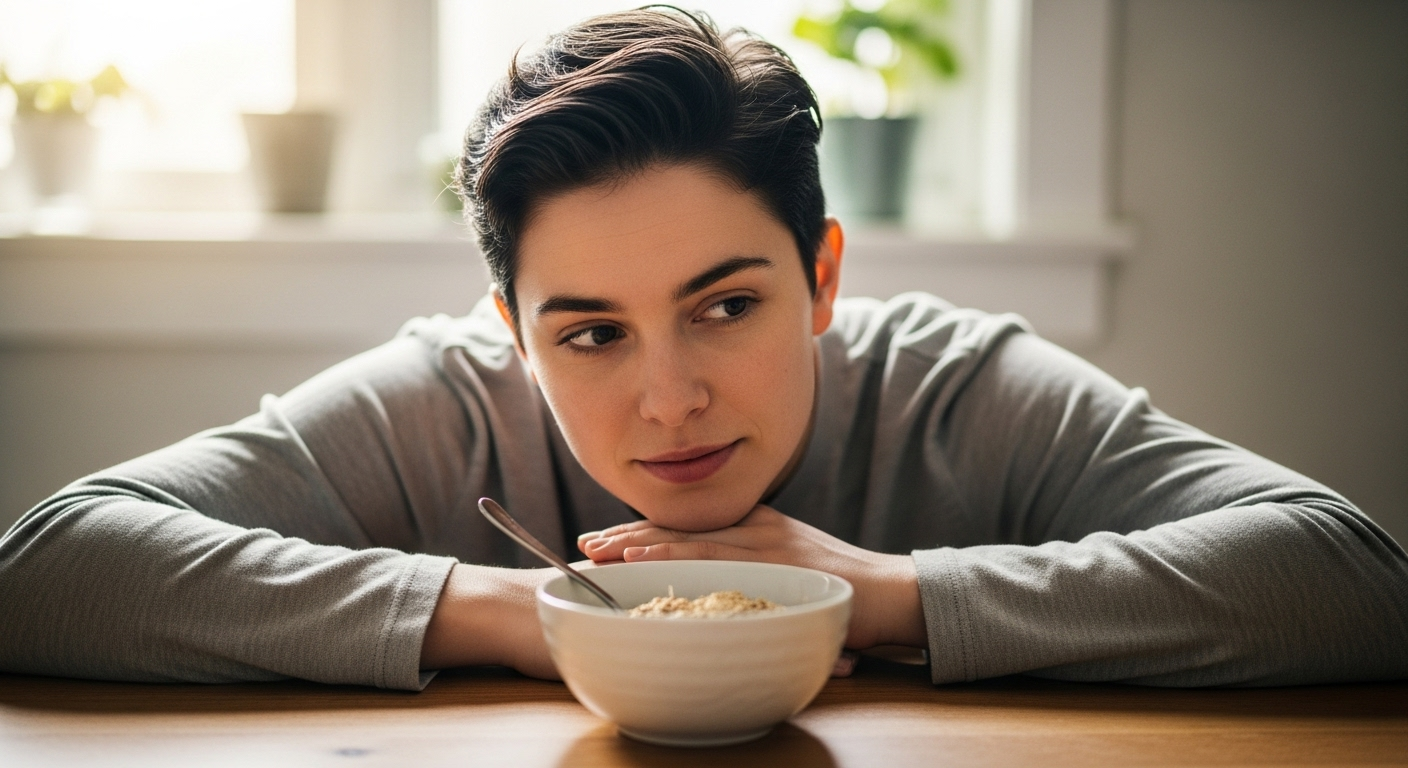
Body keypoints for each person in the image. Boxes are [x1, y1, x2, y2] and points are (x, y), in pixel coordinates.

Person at [1, 8, 1405, 691]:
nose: (667, 398)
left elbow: (1353, 583)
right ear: (515, 337)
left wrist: (882, 592)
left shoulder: (960, 392)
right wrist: (521, 617)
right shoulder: (446, 400)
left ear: (824, 277)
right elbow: (50, 568)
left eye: (727, 305)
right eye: (591, 334)